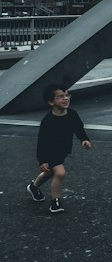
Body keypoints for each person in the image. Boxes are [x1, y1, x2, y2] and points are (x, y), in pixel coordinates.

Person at [28, 84, 92, 214]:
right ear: (51, 102)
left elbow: (78, 128)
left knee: (50, 172)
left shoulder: (72, 114)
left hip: (63, 150)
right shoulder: (48, 121)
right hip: (50, 151)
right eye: (60, 97)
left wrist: (84, 139)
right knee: (60, 173)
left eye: (67, 95)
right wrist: (42, 160)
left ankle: (33, 187)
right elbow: (41, 142)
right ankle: (55, 202)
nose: (66, 98)